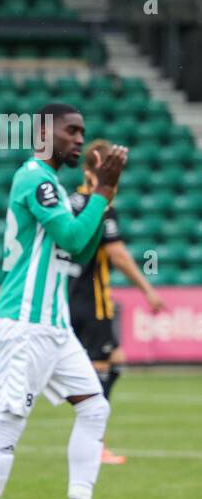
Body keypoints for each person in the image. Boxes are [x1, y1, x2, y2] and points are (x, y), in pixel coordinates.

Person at [0, 104, 133, 499]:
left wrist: (102, 195)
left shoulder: (51, 183)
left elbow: (80, 253)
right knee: (10, 418)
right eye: (71, 131)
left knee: (95, 408)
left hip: (54, 324)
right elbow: (76, 239)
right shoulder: (35, 178)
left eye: (83, 131)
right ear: (44, 133)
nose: (80, 139)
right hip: (26, 320)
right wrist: (105, 193)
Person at [68, 139, 166, 464]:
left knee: (116, 362)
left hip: (71, 297)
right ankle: (94, 444)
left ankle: (94, 439)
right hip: (91, 301)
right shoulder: (99, 206)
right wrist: (148, 291)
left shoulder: (69, 202)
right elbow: (118, 255)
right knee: (97, 374)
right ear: (88, 172)